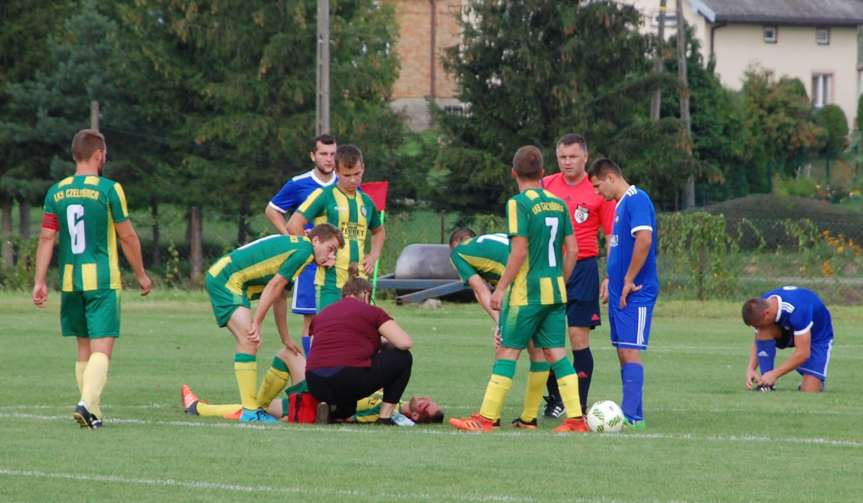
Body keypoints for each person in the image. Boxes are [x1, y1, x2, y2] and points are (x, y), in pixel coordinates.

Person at [449, 145, 588, 433]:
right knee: (555, 353)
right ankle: (573, 419)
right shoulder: (558, 203)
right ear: (542, 173)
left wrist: (500, 289)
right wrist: (559, 279)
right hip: (555, 290)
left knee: (507, 351)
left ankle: (486, 418)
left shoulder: (518, 204)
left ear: (513, 173)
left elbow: (519, 249)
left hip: (527, 292)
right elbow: (573, 250)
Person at [32, 128, 152, 429]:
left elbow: (47, 238)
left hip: (71, 281)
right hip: (102, 281)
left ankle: (93, 411)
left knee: (83, 349)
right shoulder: (109, 189)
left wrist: (39, 280)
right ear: (99, 155)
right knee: (102, 349)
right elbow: (126, 236)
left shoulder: (56, 191)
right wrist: (141, 274)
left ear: (75, 155)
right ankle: (86, 404)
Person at [197, 224, 343, 423]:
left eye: (335, 252)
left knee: (250, 342)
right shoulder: (304, 251)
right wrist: (256, 323)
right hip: (226, 280)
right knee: (249, 340)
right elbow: (273, 286)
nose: (331, 256)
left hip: (231, 280)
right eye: (330, 248)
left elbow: (280, 296)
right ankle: (250, 412)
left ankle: (251, 409)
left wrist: (286, 339)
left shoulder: (303, 252)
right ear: (316, 240)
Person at [541, 133, 615, 418]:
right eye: (562, 157)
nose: (567, 162)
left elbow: (610, 236)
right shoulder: (547, 185)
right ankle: (555, 399)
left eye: (573, 157)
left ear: (585, 157)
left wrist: (609, 275)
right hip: (549, 267)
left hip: (583, 269)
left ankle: (579, 407)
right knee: (548, 339)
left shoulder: (596, 189)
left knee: (577, 337)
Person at [449, 227, 549, 429]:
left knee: (505, 349)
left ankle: (489, 417)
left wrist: (499, 322)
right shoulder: (494, 240)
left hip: (522, 285)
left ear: (455, 244)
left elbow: (481, 289)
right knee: (539, 350)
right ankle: (529, 418)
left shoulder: (458, 253)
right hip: (545, 278)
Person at [587, 157, 659, 430]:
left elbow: (644, 239)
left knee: (630, 350)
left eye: (597, 186)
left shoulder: (637, 199)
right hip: (620, 291)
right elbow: (620, 247)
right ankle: (632, 414)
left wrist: (628, 279)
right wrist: (611, 278)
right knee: (622, 350)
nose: (597, 193)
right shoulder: (619, 205)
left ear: (611, 178)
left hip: (636, 290)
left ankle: (632, 417)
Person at [304, 271, 413, 425]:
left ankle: (334, 413)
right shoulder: (372, 312)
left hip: (315, 382)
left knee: (347, 370)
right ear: (365, 294)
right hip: (347, 379)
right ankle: (385, 417)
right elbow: (404, 342)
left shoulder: (322, 315)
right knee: (403, 357)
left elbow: (314, 347)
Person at [286, 144, 385, 313]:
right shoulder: (324, 195)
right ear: (336, 172)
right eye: (347, 175)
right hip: (330, 282)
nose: (353, 180)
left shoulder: (366, 201)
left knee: (362, 332)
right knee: (329, 331)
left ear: (363, 168)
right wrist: (316, 254)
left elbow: (379, 231)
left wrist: (374, 255)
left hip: (359, 282)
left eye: (357, 174)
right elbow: (294, 224)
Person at [265, 134, 337, 348]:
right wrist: (292, 238)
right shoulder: (299, 184)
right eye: (323, 154)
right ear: (313, 156)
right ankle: (310, 367)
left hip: (337, 260)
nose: (329, 159)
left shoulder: (344, 184)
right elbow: (272, 210)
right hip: (310, 260)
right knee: (312, 318)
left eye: (333, 154)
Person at [741, 286, 834, 392]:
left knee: (809, 390)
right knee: (764, 331)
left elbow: (803, 354)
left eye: (757, 325)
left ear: (766, 314)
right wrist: (751, 368)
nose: (757, 328)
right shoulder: (763, 304)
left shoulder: (797, 310)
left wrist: (774, 374)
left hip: (817, 336)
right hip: (790, 328)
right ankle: (766, 385)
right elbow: (758, 340)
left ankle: (816, 382)